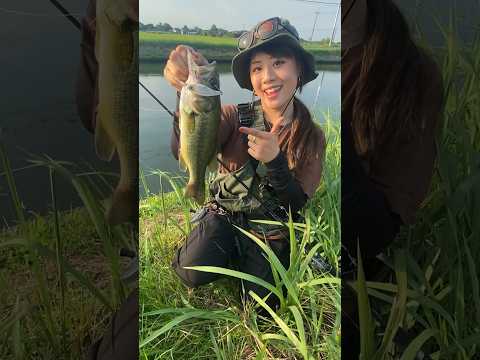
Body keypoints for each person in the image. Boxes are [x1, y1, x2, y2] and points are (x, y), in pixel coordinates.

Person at [163, 17, 326, 311]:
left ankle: (245, 258)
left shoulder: (311, 137)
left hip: (270, 228)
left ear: (299, 68)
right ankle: (226, 248)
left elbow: (297, 203)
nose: (268, 77)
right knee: (188, 270)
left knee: (261, 307)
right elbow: (181, 150)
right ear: (250, 79)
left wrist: (275, 161)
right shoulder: (230, 116)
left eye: (278, 63)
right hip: (226, 215)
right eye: (257, 68)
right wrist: (183, 97)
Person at [341, 0, 444, 357]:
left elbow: (384, 222)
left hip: (360, 234)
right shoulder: (291, 60)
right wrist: (194, 92)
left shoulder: (412, 73)